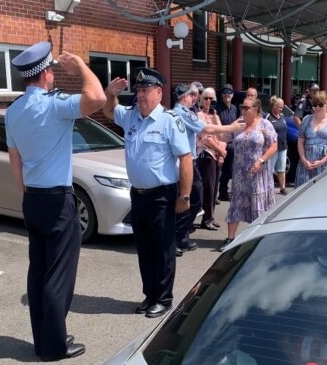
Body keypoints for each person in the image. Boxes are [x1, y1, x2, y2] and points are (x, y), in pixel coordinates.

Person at [5, 41, 106, 361]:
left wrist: (25, 195)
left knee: (39, 273)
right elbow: (98, 98)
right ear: (46, 73)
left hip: (32, 199)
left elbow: (15, 161)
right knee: (58, 276)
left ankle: (45, 337)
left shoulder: (13, 110)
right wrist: (80, 67)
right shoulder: (55, 104)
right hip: (57, 201)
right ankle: (54, 346)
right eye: (52, 71)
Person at [102, 68, 193, 319]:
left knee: (163, 249)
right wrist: (110, 93)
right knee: (144, 248)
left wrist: (184, 196)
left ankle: (163, 299)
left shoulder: (170, 120)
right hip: (138, 195)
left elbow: (185, 159)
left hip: (162, 195)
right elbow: (109, 110)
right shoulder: (131, 117)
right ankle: (150, 295)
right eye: (138, 90)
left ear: (159, 93)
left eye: (145, 90)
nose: (140, 95)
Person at [172, 84, 245, 256]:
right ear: (184, 97)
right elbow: (206, 129)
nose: (195, 98)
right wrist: (231, 128)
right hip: (185, 162)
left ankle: (181, 238)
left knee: (195, 199)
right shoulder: (182, 112)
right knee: (192, 199)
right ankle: (175, 238)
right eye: (193, 95)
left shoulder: (182, 112)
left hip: (190, 161)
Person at [219, 97, 278, 252]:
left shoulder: (265, 124)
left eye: (246, 108)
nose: (243, 110)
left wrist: (261, 160)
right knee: (236, 205)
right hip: (239, 173)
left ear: (256, 109)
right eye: (241, 107)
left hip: (257, 172)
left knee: (257, 206)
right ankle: (230, 239)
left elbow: (274, 145)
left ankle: (256, 239)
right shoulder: (239, 124)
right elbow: (224, 137)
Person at [197, 87, 228, 230]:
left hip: (217, 155)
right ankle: (206, 218)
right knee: (208, 188)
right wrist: (220, 150)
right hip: (206, 154)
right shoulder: (199, 116)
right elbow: (206, 138)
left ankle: (211, 216)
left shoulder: (215, 116)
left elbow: (222, 135)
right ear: (201, 99)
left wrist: (222, 151)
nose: (209, 101)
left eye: (211, 98)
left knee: (214, 188)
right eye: (206, 98)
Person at [294, 91, 327, 188]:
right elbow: (300, 140)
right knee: (302, 193)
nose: (317, 107)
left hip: (324, 164)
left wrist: (322, 161)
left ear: (326, 104)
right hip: (306, 163)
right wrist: (303, 159)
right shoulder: (307, 119)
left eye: (320, 104)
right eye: (315, 104)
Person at [216, 83, 238, 201]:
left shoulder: (234, 108)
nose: (227, 95)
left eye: (229, 92)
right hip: (220, 143)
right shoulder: (217, 108)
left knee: (228, 170)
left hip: (231, 144)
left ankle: (223, 192)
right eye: (224, 93)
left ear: (232, 95)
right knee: (218, 170)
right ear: (221, 95)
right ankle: (215, 195)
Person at [265, 96, 288, 195]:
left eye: (282, 106)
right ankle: (268, 187)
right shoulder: (268, 117)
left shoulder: (282, 116)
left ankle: (283, 187)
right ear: (274, 106)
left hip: (283, 146)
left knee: (282, 168)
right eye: (280, 106)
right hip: (272, 147)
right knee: (270, 168)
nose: (281, 108)